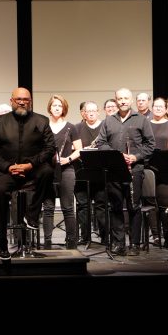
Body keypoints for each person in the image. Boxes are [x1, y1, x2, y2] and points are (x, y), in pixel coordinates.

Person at [0, 88, 56, 259]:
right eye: (18, 99)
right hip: (7, 170)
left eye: (26, 99)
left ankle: (32, 215)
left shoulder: (41, 120)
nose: (22, 102)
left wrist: (30, 165)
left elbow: (50, 148)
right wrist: (8, 167)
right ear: (12, 101)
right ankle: (2, 244)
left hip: (32, 169)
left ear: (30, 101)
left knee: (47, 171)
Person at [91, 88, 155, 252]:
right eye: (120, 98)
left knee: (134, 207)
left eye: (126, 98)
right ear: (116, 100)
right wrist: (116, 156)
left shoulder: (141, 120)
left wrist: (135, 157)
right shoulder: (108, 120)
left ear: (131, 100)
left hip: (135, 169)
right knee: (116, 207)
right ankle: (119, 243)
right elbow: (101, 143)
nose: (123, 101)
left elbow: (150, 144)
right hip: (115, 170)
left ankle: (134, 244)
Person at [41, 95, 82, 249]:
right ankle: (47, 242)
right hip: (48, 170)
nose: (57, 108)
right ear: (49, 108)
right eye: (54, 105)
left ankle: (71, 242)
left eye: (60, 105)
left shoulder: (71, 127)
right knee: (48, 207)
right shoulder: (43, 126)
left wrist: (68, 159)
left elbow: (79, 149)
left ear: (64, 108)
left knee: (67, 207)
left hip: (66, 169)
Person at [147, 97, 168, 247]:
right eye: (155, 106)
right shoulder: (146, 125)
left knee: (165, 204)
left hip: (166, 170)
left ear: (165, 109)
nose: (158, 109)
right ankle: (156, 235)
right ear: (152, 108)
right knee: (151, 204)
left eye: (161, 107)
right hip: (149, 169)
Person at [74, 101, 103, 245]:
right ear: (83, 113)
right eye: (88, 111)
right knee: (82, 206)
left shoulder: (105, 126)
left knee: (101, 205)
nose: (91, 113)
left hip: (99, 172)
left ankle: (104, 236)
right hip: (81, 171)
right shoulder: (77, 128)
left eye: (93, 110)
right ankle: (84, 237)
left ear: (98, 112)